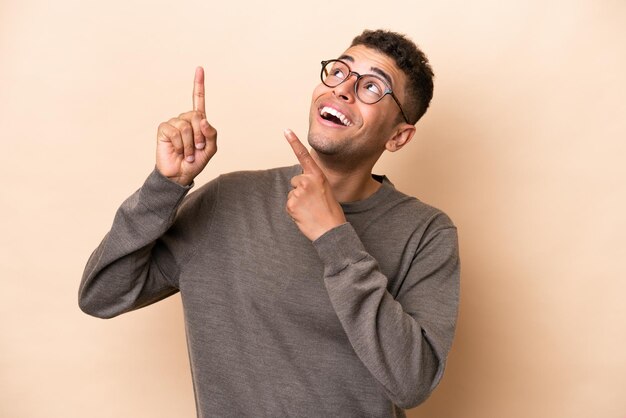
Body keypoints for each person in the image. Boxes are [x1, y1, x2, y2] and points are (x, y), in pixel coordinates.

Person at [79, 29, 460, 417]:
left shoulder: (427, 233)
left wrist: (334, 237)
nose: (344, 89)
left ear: (398, 136)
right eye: (339, 71)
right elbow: (101, 295)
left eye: (372, 87)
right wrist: (165, 186)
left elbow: (413, 383)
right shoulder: (227, 201)